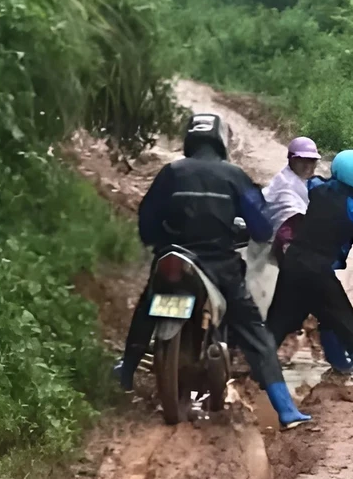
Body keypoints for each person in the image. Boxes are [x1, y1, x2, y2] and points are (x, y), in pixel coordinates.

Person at [113, 113, 311, 430]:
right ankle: (285, 409)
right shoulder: (234, 176)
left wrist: (158, 242)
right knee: (254, 332)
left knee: (149, 303)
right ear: (221, 141)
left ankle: (126, 370)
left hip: (173, 256)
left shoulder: (171, 173)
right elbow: (261, 227)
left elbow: (147, 217)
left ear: (189, 140)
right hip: (219, 265)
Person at [266, 150, 353, 367]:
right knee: (342, 315)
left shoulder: (319, 189)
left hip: (292, 263)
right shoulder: (352, 207)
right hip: (317, 271)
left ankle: (258, 367)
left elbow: (316, 182)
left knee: (280, 319)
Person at [260, 138, 353, 373]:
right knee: (325, 308)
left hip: (295, 259)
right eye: (303, 160)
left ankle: (264, 363)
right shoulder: (286, 188)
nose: (308, 165)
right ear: (292, 160)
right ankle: (343, 363)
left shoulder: (301, 183)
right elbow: (288, 227)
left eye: (312, 161)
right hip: (288, 259)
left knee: (308, 313)